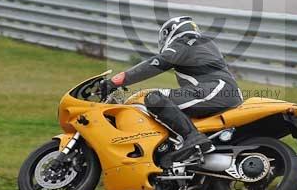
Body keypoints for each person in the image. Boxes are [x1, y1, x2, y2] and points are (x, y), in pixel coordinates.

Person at [98, 16, 243, 162]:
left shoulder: (185, 41)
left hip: (216, 90)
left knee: (153, 97)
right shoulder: (201, 43)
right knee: (169, 106)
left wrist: (116, 81)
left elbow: (156, 64)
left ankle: (194, 139)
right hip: (221, 91)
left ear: (171, 32)